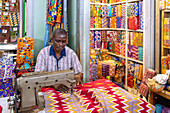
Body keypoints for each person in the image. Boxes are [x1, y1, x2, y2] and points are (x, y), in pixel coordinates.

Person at [35, 28, 83, 93]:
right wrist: (54, 84)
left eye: (63, 42)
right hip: (48, 91)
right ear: (52, 40)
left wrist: (78, 76)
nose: (60, 44)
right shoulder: (43, 53)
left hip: (66, 91)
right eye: (58, 41)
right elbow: (38, 77)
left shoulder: (71, 54)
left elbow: (79, 73)